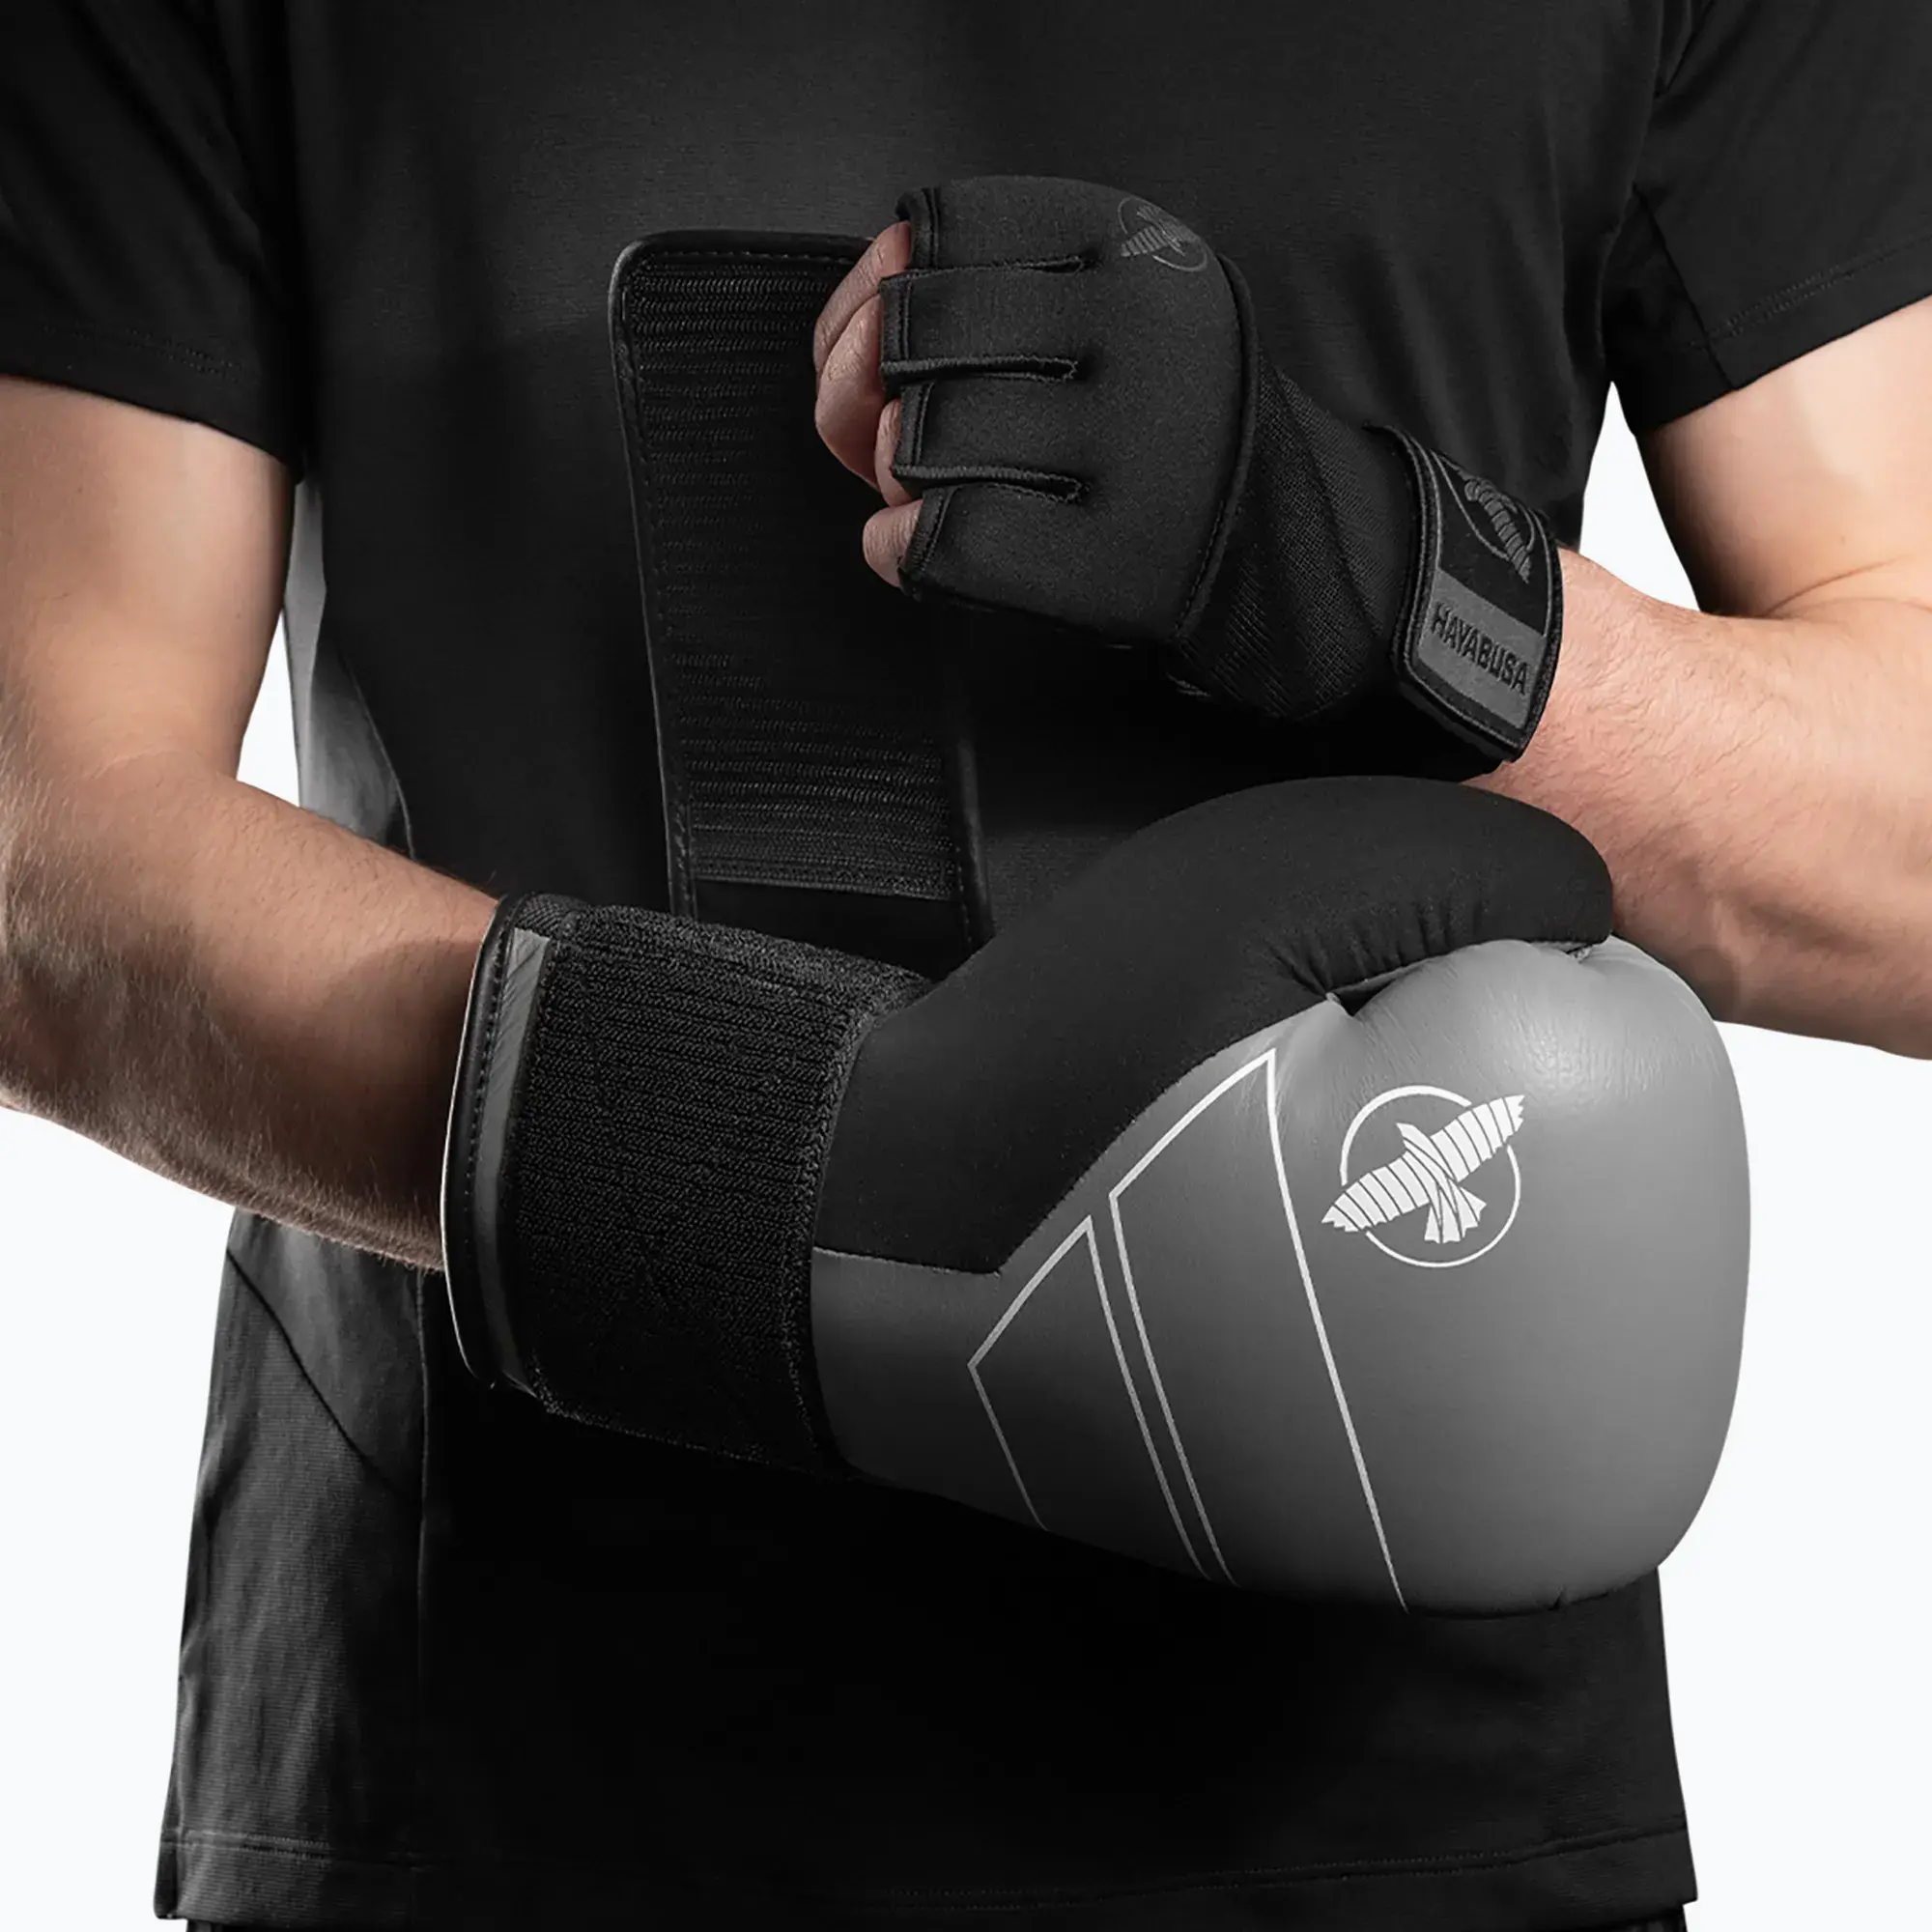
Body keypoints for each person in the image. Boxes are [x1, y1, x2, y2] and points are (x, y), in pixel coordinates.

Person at [0, 5, 1926, 1929]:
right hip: (492, 1767)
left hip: (1407, 1780)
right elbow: (44, 852)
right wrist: (828, 1164)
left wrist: (1359, 567)